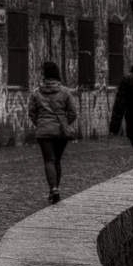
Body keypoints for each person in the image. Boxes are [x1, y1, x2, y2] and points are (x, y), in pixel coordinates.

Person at [27, 61, 79, 204]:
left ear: (44, 74)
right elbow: (73, 112)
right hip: (60, 133)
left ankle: (54, 189)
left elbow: (31, 113)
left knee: (48, 160)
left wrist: (41, 124)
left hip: (43, 132)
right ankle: (55, 189)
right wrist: (64, 124)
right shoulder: (65, 92)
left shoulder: (36, 92)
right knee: (57, 160)